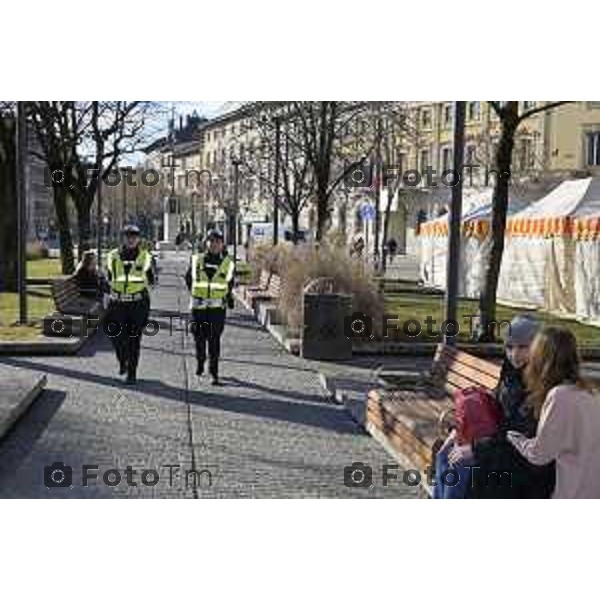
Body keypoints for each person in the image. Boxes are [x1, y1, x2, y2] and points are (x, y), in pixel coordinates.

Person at [434, 315, 555, 499]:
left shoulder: (544, 384)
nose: (514, 354)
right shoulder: (511, 374)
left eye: (523, 347)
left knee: (460, 466)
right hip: (500, 446)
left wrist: (475, 449)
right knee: (444, 455)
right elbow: (493, 408)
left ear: (539, 347)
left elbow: (523, 437)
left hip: (524, 462)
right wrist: (460, 429)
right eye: (509, 347)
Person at [508, 327, 600, 499]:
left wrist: (515, 439)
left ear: (541, 359)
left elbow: (540, 454)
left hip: (574, 491)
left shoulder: (560, 396)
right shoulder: (590, 391)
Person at [105, 224, 155, 383]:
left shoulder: (145, 256)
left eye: (134, 236)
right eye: (128, 236)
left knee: (134, 338)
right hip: (117, 303)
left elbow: (152, 280)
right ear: (123, 238)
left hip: (138, 304)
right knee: (116, 336)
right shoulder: (113, 256)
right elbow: (108, 277)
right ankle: (122, 360)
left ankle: (131, 373)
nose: (131, 239)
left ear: (138, 238)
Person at [185, 229, 234, 385]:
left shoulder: (228, 263)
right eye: (211, 241)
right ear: (206, 243)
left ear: (222, 244)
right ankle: (200, 361)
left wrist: (228, 296)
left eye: (217, 242)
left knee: (214, 341)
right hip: (198, 309)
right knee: (199, 339)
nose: (214, 244)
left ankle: (214, 372)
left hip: (217, 310)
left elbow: (229, 283)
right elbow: (188, 279)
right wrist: (196, 294)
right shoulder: (196, 260)